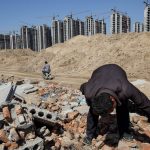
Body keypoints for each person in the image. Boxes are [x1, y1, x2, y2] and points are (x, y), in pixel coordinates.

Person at [80, 64, 150, 145]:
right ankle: (90, 135)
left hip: (116, 70)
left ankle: (124, 131)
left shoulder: (125, 88)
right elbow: (82, 87)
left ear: (113, 100)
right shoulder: (89, 91)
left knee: (122, 106)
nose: (110, 114)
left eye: (111, 110)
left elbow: (144, 103)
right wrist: (90, 103)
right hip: (98, 73)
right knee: (93, 110)